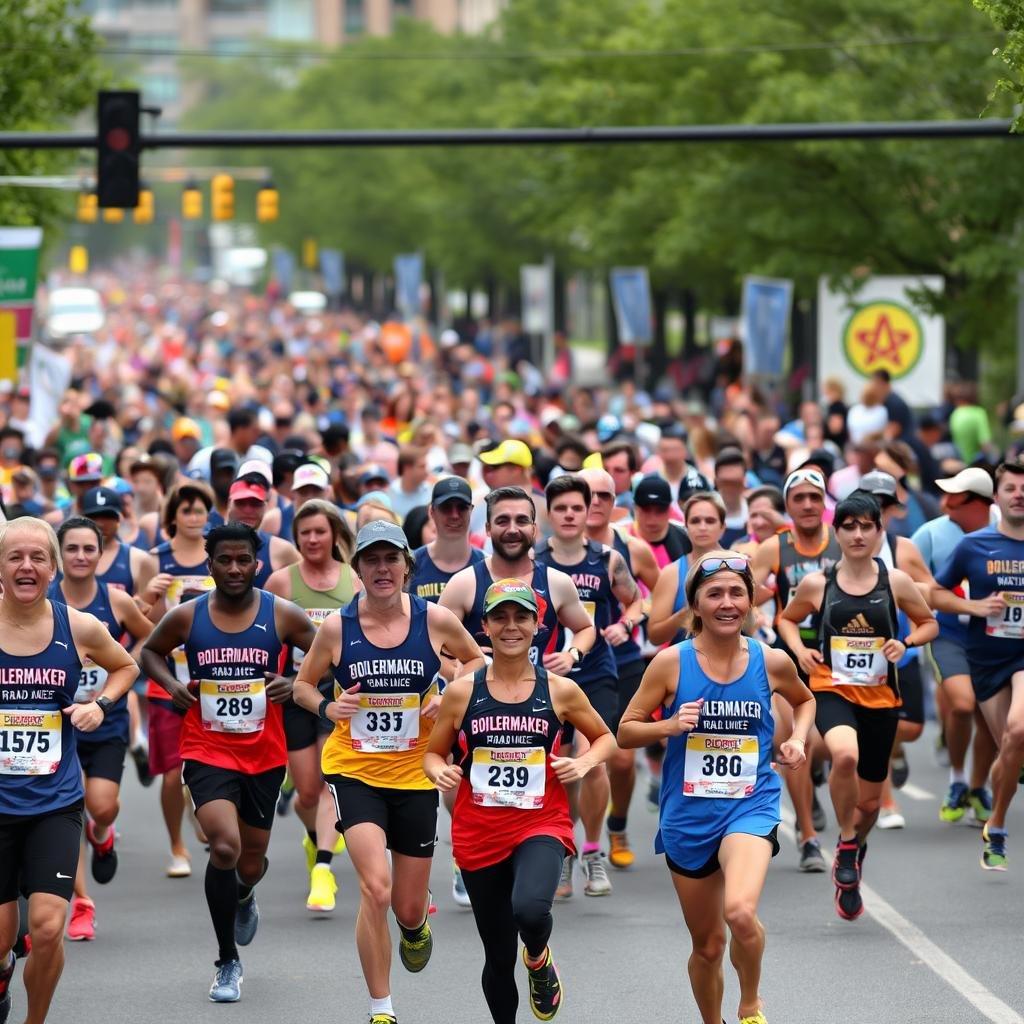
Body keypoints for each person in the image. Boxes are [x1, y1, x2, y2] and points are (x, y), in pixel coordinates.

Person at [291, 519, 483, 1024]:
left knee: (407, 908)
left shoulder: (434, 620)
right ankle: (382, 1007)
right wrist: (326, 710)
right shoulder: (337, 628)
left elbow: (476, 662)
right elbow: (303, 685)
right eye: (371, 560)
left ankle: (416, 927)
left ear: (406, 567)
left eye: (391, 559)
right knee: (374, 888)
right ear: (357, 569)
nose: (382, 569)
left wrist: (446, 695)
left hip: (416, 772)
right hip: (355, 770)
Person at [618, 551, 815, 1024]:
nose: (727, 603)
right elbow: (625, 730)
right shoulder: (670, 664)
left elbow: (805, 700)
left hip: (750, 805)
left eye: (736, 593)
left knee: (741, 913)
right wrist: (667, 728)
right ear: (696, 606)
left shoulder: (771, 661)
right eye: (715, 594)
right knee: (707, 946)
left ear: (749, 603)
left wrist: (796, 739)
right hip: (687, 815)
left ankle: (750, 1003)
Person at [424, 578, 616, 1024]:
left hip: (541, 823)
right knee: (496, 952)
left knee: (530, 910)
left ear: (538, 626)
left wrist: (584, 765)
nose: (511, 626)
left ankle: (538, 954)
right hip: (478, 831)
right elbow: (434, 753)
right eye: (500, 618)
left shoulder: (561, 690)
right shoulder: (462, 691)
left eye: (521, 617)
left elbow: (605, 739)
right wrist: (440, 771)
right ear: (484, 628)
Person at [140, 522, 317, 1002]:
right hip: (206, 747)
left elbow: (330, 656)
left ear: (257, 564)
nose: (235, 569)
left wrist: (297, 687)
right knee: (224, 847)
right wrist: (174, 686)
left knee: (251, 861)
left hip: (264, 752)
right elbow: (149, 653)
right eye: (225, 560)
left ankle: (243, 893)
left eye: (244, 560)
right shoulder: (187, 616)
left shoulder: (282, 615)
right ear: (209, 564)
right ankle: (227, 961)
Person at [0, 517, 138, 1024]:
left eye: (38, 557)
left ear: (53, 569)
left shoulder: (77, 626)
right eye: (15, 556)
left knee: (49, 924)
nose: (26, 566)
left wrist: (100, 706)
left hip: (53, 802)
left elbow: (127, 666)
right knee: (1, 943)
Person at [778, 492, 937, 920]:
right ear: (838, 533)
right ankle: (846, 840)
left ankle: (853, 849)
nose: (858, 534)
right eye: (849, 526)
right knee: (843, 753)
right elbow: (786, 619)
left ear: (879, 533)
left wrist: (904, 643)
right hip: (832, 689)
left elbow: (929, 623)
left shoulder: (896, 581)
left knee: (870, 804)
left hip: (881, 697)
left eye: (867, 526)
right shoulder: (819, 583)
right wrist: (801, 650)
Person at [438, 486, 599, 897]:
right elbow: (435, 642)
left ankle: (556, 844)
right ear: (488, 527)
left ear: (535, 527)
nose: (512, 529)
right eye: (503, 521)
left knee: (571, 769)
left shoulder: (556, 582)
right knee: (459, 776)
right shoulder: (464, 583)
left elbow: (584, 626)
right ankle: (468, 853)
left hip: (541, 698)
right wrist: (462, 674)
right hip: (479, 701)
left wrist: (573, 654)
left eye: (521, 521)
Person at [534, 474, 643, 887]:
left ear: (588, 511)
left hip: (594, 674)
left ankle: (593, 851)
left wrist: (625, 624)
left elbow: (636, 599)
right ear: (549, 512)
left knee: (592, 761)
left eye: (576, 508)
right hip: (541, 678)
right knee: (557, 767)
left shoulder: (607, 559)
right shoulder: (533, 559)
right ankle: (563, 847)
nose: (568, 515)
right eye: (559, 508)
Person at [48, 517, 154, 942]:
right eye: (71, 548)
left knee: (102, 806)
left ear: (101, 552)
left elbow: (152, 639)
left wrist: (118, 661)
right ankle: (82, 904)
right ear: (59, 555)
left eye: (88, 549)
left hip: (106, 721)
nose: (80, 556)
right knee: (67, 811)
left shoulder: (116, 601)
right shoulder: (46, 599)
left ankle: (103, 835)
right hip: (55, 727)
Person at [265, 499, 359, 913]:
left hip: (340, 695)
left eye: (320, 531)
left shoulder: (353, 581)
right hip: (295, 693)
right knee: (305, 792)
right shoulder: (281, 583)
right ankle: (314, 837)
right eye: (305, 533)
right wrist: (276, 680)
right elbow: (263, 640)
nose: (313, 539)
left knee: (328, 781)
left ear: (334, 534)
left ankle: (323, 867)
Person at [931, 459, 1024, 870]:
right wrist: (973, 605)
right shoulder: (974, 547)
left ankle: (998, 825)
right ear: (997, 498)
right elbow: (935, 593)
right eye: (1011, 488)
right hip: (987, 660)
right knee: (1010, 744)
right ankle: (995, 816)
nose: (1019, 495)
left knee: (1018, 730)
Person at [751, 468, 842, 873]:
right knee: (794, 743)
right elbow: (745, 592)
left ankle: (819, 776)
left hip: (836, 657)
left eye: (814, 497)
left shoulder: (842, 543)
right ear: (787, 505)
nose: (807, 505)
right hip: (788, 656)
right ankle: (808, 836)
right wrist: (763, 611)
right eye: (799, 498)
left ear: (824, 504)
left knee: (827, 747)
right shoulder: (775, 547)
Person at [407, 475, 485, 907]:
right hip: (417, 687)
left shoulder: (485, 566)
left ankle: (466, 851)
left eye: (462, 508)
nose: (454, 516)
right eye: (446, 508)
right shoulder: (411, 565)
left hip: (474, 685)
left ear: (470, 514)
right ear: (432, 513)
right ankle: (445, 855)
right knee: (435, 775)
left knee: (470, 773)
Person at [580, 466, 659, 867]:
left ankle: (618, 824)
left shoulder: (630, 549)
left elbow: (655, 598)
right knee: (573, 761)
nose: (595, 503)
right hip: (566, 667)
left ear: (616, 501)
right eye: (587, 495)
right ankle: (567, 842)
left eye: (605, 496)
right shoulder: (550, 550)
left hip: (622, 663)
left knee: (623, 760)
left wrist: (627, 623)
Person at [911, 468, 997, 826]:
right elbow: (910, 578)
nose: (944, 503)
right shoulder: (931, 533)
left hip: (996, 636)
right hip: (948, 633)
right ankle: (957, 778)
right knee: (962, 705)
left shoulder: (1006, 528)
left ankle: (978, 788)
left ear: (977, 503)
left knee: (989, 718)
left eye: (953, 497)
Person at [143, 480, 217, 878]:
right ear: (173, 516)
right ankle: (177, 845)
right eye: (186, 510)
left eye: (200, 510)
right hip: (167, 683)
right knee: (174, 772)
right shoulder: (155, 560)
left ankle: (207, 815)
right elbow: (141, 628)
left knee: (209, 764)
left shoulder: (216, 558)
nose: (193, 517)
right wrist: (149, 599)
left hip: (215, 683)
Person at [647, 492, 729, 646]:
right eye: (695, 521)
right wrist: (683, 615)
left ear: (722, 527)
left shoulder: (739, 566)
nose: (702, 527)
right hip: (686, 664)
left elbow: (752, 626)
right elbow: (654, 636)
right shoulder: (672, 573)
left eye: (710, 521)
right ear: (686, 527)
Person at [225, 476, 300, 588]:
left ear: (266, 506)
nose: (248, 510)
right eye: (241, 502)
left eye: (255, 503)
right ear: (229, 504)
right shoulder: (206, 546)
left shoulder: (281, 549)